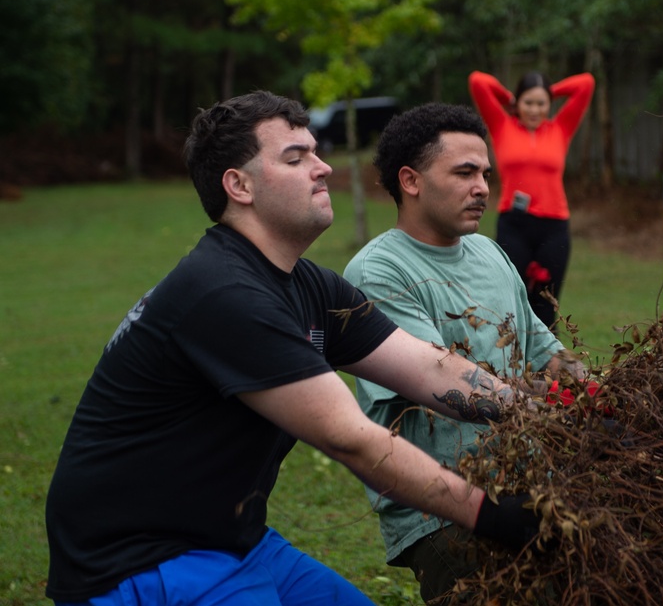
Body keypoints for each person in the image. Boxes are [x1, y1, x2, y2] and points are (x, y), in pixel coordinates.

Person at [44, 91, 545, 606]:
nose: (323, 168)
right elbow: (352, 440)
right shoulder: (223, 293)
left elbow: (430, 369)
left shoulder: (311, 287)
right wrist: (493, 515)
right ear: (239, 186)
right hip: (139, 563)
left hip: (236, 540)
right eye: (296, 157)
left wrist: (551, 419)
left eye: (315, 151)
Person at [343, 102, 587, 604]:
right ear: (410, 181)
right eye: (464, 172)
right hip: (446, 508)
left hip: (528, 483)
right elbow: (439, 377)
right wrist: (544, 406)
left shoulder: (490, 252)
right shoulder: (377, 272)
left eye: (485, 173)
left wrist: (600, 392)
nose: (483, 187)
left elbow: (541, 348)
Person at [468, 69, 595, 330]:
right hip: (514, 226)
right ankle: (510, 366)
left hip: (554, 227)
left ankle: (549, 369)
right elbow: (478, 81)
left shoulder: (560, 128)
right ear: (518, 104)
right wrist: (508, 97)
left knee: (547, 304)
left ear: (549, 104)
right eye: (528, 102)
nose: (535, 110)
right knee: (511, 300)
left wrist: (550, 90)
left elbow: (586, 83)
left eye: (541, 103)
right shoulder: (502, 126)